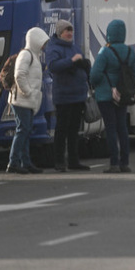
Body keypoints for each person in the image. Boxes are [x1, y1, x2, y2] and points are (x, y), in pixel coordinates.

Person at [89, 19, 135, 173]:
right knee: (122, 128)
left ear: (109, 33)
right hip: (123, 96)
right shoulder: (130, 52)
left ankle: (114, 164)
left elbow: (95, 75)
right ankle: (125, 163)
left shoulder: (105, 51)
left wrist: (101, 84)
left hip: (106, 96)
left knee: (110, 129)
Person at [45, 19, 91, 172]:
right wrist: (71, 62)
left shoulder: (74, 46)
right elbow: (53, 66)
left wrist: (84, 65)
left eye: (71, 30)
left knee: (74, 130)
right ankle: (59, 161)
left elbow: (81, 64)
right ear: (60, 33)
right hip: (64, 96)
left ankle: (73, 161)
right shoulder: (54, 48)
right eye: (67, 30)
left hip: (78, 95)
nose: (70, 33)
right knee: (62, 129)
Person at [7, 26, 50, 175]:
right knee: (22, 130)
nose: (45, 45)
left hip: (26, 100)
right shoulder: (26, 55)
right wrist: (29, 92)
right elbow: (19, 75)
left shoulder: (33, 55)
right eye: (43, 42)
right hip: (21, 100)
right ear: (36, 41)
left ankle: (25, 162)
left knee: (25, 130)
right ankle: (13, 162)